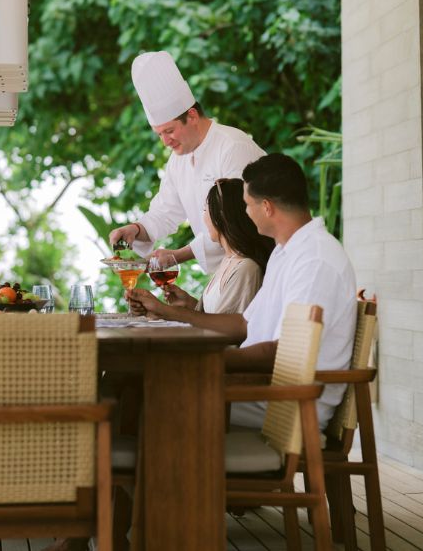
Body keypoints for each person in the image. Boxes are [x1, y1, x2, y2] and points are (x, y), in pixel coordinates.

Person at [127, 153, 356, 430]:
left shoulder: (314, 260)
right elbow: (244, 324)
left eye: (247, 204)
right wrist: (169, 312)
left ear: (267, 207)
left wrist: (203, 360)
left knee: (148, 393)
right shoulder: (286, 253)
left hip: (287, 402)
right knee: (134, 384)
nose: (245, 213)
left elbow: (282, 353)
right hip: (264, 387)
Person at [108, 51, 265, 274]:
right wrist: (136, 229)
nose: (165, 142)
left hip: (258, 268)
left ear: (192, 116)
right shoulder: (177, 160)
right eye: (159, 134)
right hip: (225, 273)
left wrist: (178, 255)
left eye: (169, 131)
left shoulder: (232, 146)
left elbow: (237, 220)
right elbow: (165, 212)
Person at [155, 178, 274, 314]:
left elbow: (228, 325)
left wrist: (161, 309)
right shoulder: (228, 260)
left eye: (205, 210)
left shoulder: (246, 268)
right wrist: (189, 303)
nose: (204, 218)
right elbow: (215, 317)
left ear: (222, 216)